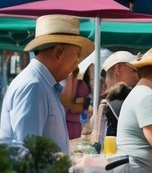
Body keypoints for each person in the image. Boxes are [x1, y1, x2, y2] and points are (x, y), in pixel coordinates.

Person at [0, 15, 94, 153]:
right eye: (77, 55)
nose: (77, 62)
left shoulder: (42, 84)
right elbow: (28, 154)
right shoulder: (34, 86)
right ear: (59, 52)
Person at [90, 51, 140, 145]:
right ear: (118, 69)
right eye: (136, 70)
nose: (139, 76)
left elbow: (95, 141)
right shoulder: (130, 99)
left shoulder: (104, 103)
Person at [60, 66, 91, 140]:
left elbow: (78, 108)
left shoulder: (80, 85)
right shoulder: (54, 82)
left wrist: (65, 102)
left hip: (73, 126)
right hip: (58, 125)